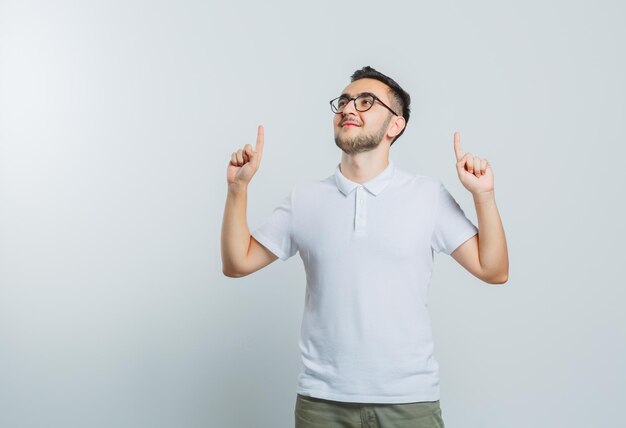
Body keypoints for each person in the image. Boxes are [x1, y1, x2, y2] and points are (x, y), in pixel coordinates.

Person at [221, 66, 509, 428]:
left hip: (409, 401)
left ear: (395, 126)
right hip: (322, 402)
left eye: (366, 101)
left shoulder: (428, 196)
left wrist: (484, 195)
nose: (348, 108)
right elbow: (237, 263)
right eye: (343, 101)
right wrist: (237, 190)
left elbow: (494, 270)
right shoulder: (304, 198)